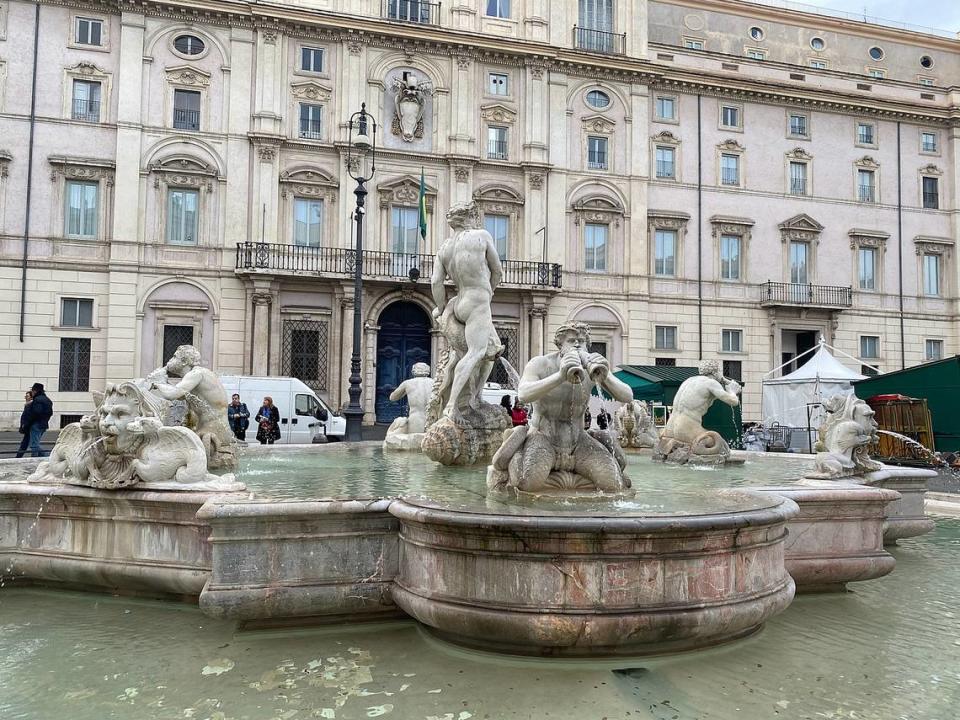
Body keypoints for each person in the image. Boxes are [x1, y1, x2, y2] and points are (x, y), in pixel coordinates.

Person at [431, 202, 504, 421]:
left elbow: (436, 281)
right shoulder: (481, 235)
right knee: (476, 352)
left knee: (492, 350)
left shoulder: (445, 247)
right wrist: (489, 292)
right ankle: (452, 407)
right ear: (471, 217)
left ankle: (475, 397)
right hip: (477, 300)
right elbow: (497, 270)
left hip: (458, 302)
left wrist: (441, 308)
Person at [24, 383, 53, 457]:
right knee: (35, 444)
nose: (32, 393)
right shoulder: (47, 400)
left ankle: (47, 458)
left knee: (34, 446)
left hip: (36, 424)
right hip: (44, 424)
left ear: (35, 391)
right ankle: (38, 459)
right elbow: (50, 413)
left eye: (32, 391)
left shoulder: (37, 400)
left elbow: (35, 413)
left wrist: (28, 423)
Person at [15, 389, 34, 458]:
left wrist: (24, 425)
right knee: (29, 443)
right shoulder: (27, 405)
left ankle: (18, 457)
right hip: (28, 427)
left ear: (31, 397)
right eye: (25, 396)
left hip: (29, 427)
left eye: (27, 396)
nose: (25, 397)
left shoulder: (30, 405)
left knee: (28, 444)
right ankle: (18, 457)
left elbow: (28, 417)